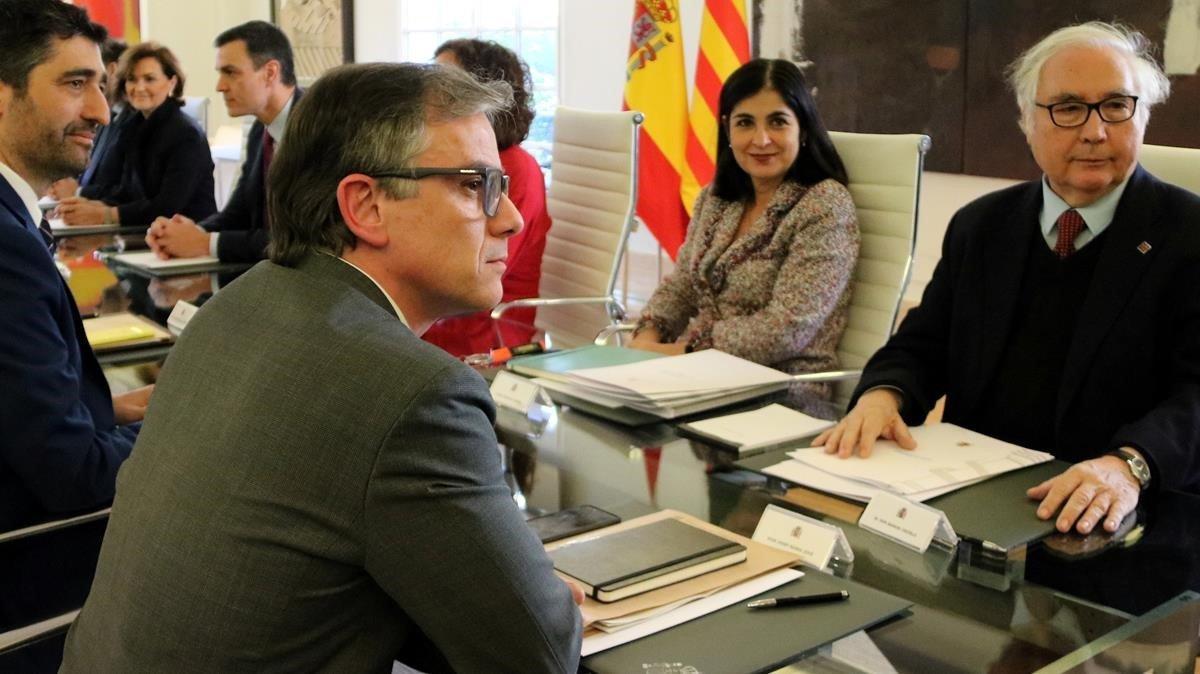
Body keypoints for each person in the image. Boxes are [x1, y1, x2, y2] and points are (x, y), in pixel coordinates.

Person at [61, 62, 582, 672]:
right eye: (475, 185)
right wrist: (543, 603)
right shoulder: (413, 395)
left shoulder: (238, 305)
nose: (511, 218)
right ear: (365, 205)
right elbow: (536, 652)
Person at [815, 22, 1200, 535]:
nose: (1094, 131)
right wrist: (884, 395)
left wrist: (1128, 464)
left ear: (1143, 116)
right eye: (1068, 108)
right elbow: (926, 343)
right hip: (977, 508)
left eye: (1116, 106)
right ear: (1026, 121)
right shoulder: (981, 226)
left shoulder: (1188, 235)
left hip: (1116, 521)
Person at [0, 1, 150, 668]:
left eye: (100, 85)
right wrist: (186, 426)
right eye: (73, 83)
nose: (101, 110)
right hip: (36, 590)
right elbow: (78, 477)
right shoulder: (5, 246)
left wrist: (107, 409)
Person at [628, 58, 860, 419]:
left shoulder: (825, 205)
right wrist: (650, 333)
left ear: (804, 129)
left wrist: (685, 351)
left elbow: (787, 328)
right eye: (745, 123)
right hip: (700, 382)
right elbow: (684, 284)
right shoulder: (716, 197)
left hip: (783, 394)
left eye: (778, 122)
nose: (761, 139)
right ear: (727, 129)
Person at [421, 38, 552, 357]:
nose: (428, 91)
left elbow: (469, 273)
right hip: (433, 323)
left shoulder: (517, 170)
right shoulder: (445, 159)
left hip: (479, 338)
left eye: (444, 81)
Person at [145, 20, 299, 263]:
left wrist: (206, 244)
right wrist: (188, 233)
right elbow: (238, 213)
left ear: (270, 73)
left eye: (230, 72)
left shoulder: (320, 129)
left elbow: (305, 241)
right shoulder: (261, 129)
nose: (219, 86)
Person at [56, 41, 216, 230]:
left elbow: (167, 207)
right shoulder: (133, 126)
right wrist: (89, 204)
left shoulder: (186, 134)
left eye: (149, 79)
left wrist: (104, 214)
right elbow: (127, 192)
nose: (139, 88)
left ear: (172, 82)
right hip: (142, 232)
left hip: (185, 239)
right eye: (132, 79)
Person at [47, 36, 129, 201]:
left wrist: (78, 192)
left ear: (112, 70)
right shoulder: (107, 118)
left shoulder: (131, 123)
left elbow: (130, 192)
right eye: (77, 83)